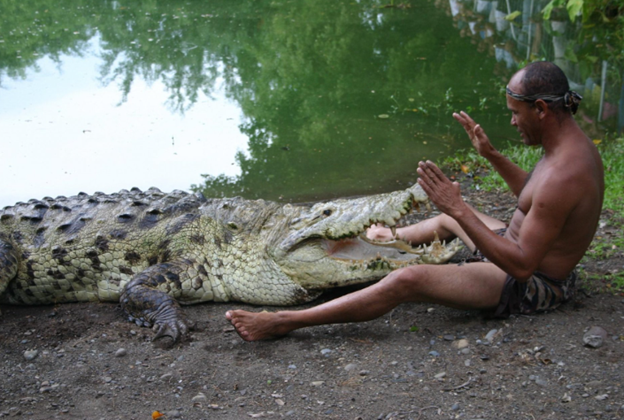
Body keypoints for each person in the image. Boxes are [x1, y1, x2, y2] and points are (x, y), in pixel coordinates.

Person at [225, 61, 604, 341]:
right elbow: (531, 198)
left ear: (540, 108)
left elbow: (522, 267)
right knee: (449, 220)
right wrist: (490, 155)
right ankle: (386, 239)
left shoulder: (566, 175)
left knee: (407, 279)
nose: (512, 123)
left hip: (531, 281)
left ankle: (285, 322)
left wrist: (456, 207)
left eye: (515, 114)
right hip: (516, 250)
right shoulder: (563, 146)